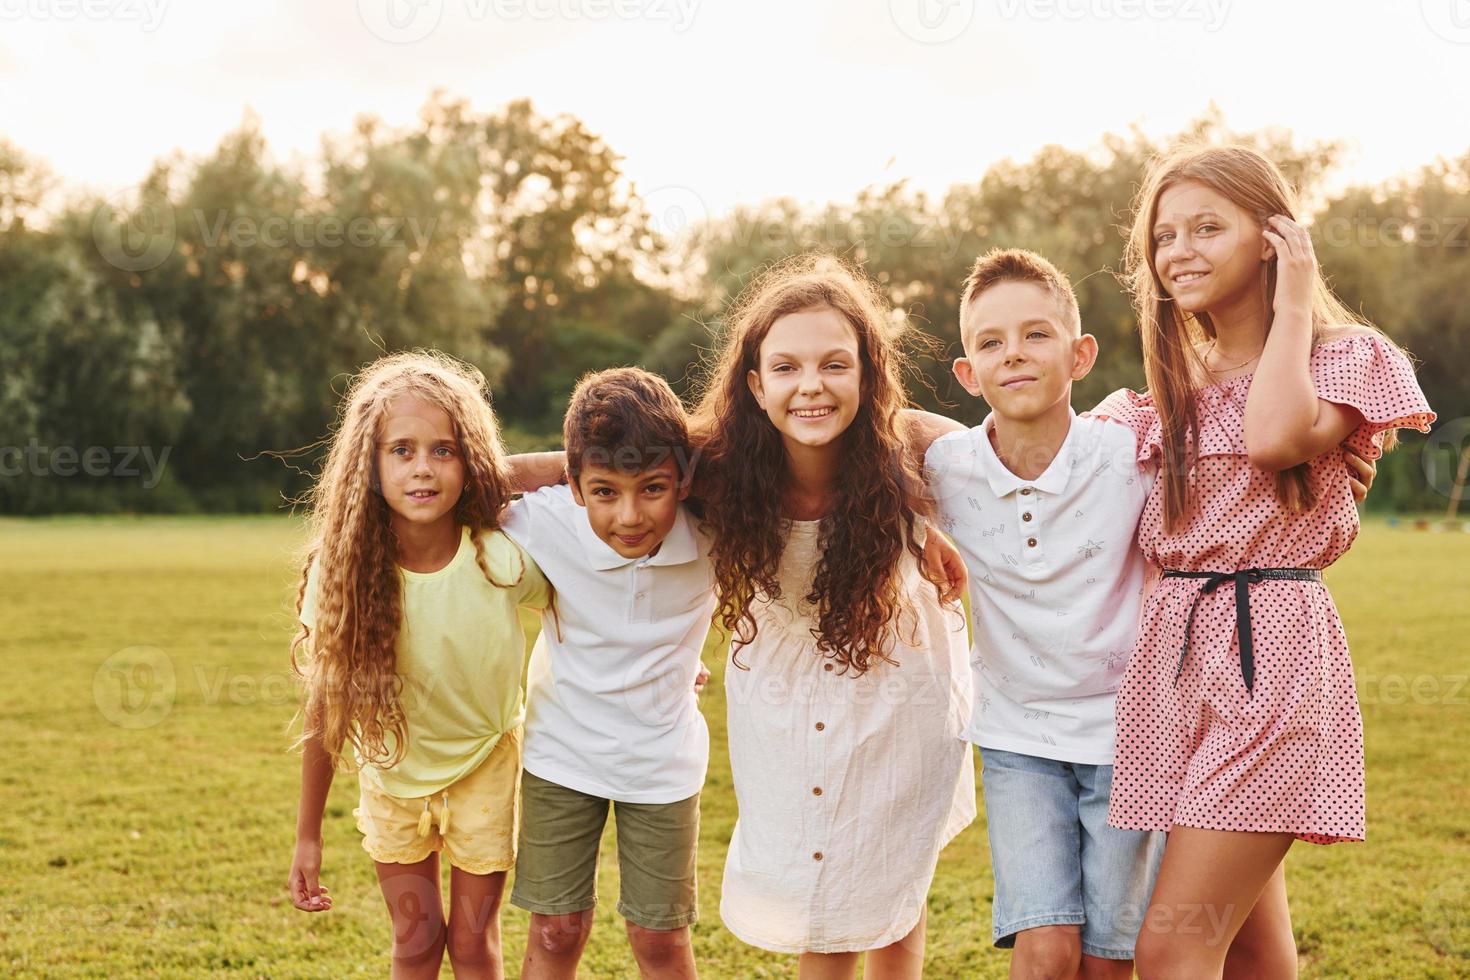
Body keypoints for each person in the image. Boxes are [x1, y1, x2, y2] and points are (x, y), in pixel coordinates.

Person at [1097, 143, 1434, 978]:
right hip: (1173, 662)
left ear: (1274, 238)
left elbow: (1275, 435)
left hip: (1271, 654)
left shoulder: (1341, 359)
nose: (1180, 251)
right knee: (1251, 946)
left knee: (1174, 942)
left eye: (1208, 227)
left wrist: (1291, 308)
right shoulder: (1158, 394)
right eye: (1165, 235)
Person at [694, 253, 975, 980]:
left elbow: (1020, 454)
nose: (810, 386)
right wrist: (481, 471)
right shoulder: (717, 463)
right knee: (823, 898)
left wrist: (925, 529)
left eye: (834, 364)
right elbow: (588, 467)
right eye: (785, 368)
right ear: (754, 384)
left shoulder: (912, 449)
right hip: (783, 714)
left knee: (891, 884)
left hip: (900, 694)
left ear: (867, 374)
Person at [920, 248, 1167, 979]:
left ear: (1080, 354)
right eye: (990, 343)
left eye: (1036, 335)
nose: (1014, 355)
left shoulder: (1130, 456)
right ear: (967, 374)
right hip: (1017, 738)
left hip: (1131, 740)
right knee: (1046, 944)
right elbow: (877, 434)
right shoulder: (945, 470)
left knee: (1105, 959)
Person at [286, 351, 549, 980]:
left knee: (473, 945)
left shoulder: (501, 556)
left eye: (445, 450)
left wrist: (673, 667)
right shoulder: (344, 568)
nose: (423, 469)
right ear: (367, 465)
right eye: (401, 450)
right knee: (415, 941)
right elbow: (326, 704)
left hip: (486, 768)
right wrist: (307, 834)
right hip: (392, 772)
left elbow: (585, 612)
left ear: (472, 460)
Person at [501, 368, 715, 980]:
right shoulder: (544, 519)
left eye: (652, 487)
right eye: (602, 490)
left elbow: (795, 480)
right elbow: (462, 474)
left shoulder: (714, 529)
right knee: (556, 929)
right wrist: (563, 463)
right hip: (560, 754)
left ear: (686, 478)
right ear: (573, 485)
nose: (629, 515)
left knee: (659, 938)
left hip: (662, 762)